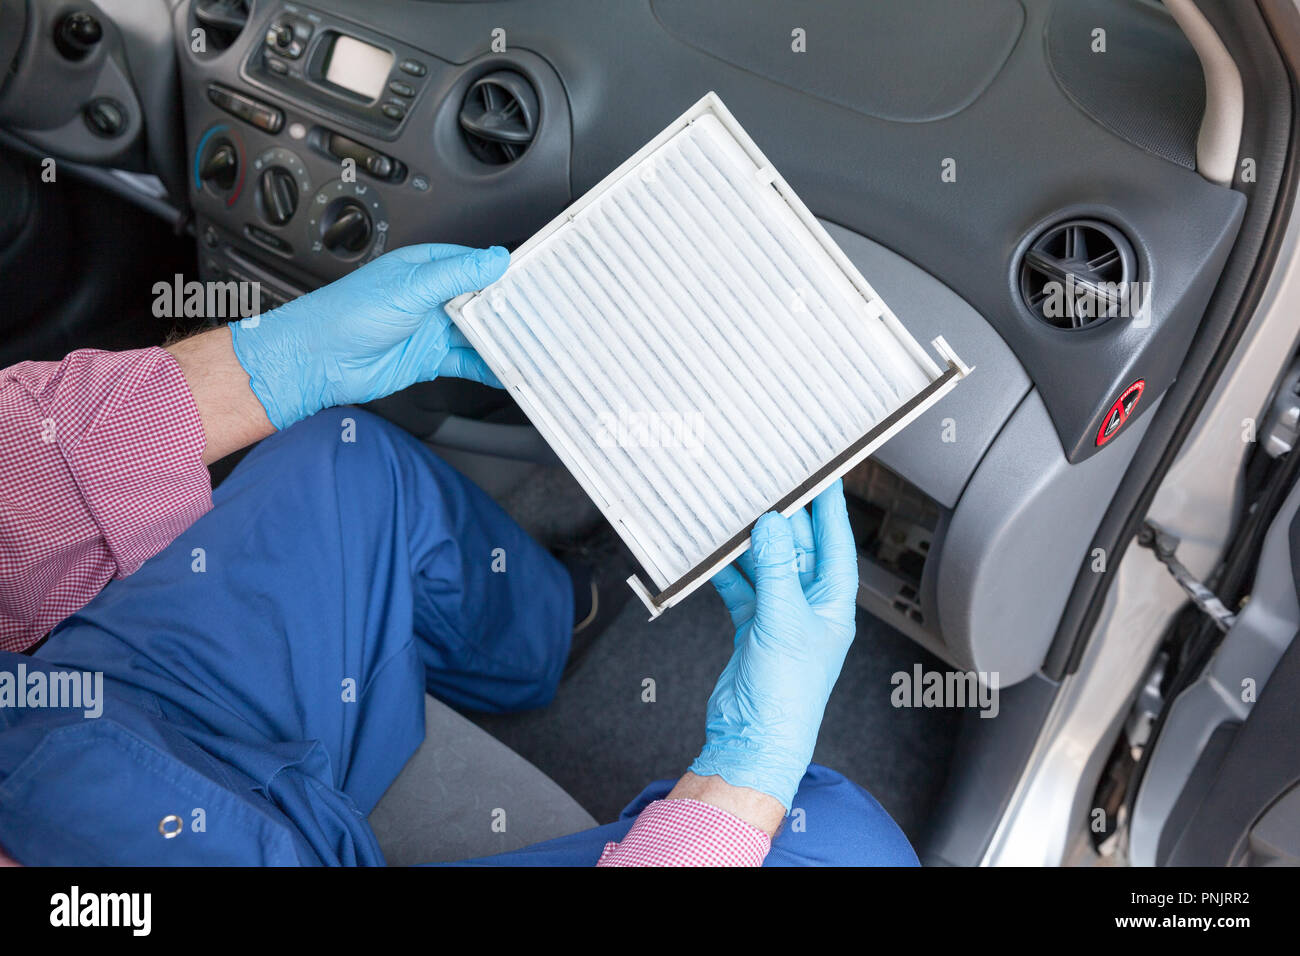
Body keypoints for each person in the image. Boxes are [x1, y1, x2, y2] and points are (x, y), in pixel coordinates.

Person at [0, 243, 916, 866]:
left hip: (58, 721)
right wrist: (739, 782)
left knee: (346, 463)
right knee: (836, 847)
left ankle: (553, 629)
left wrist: (258, 367)